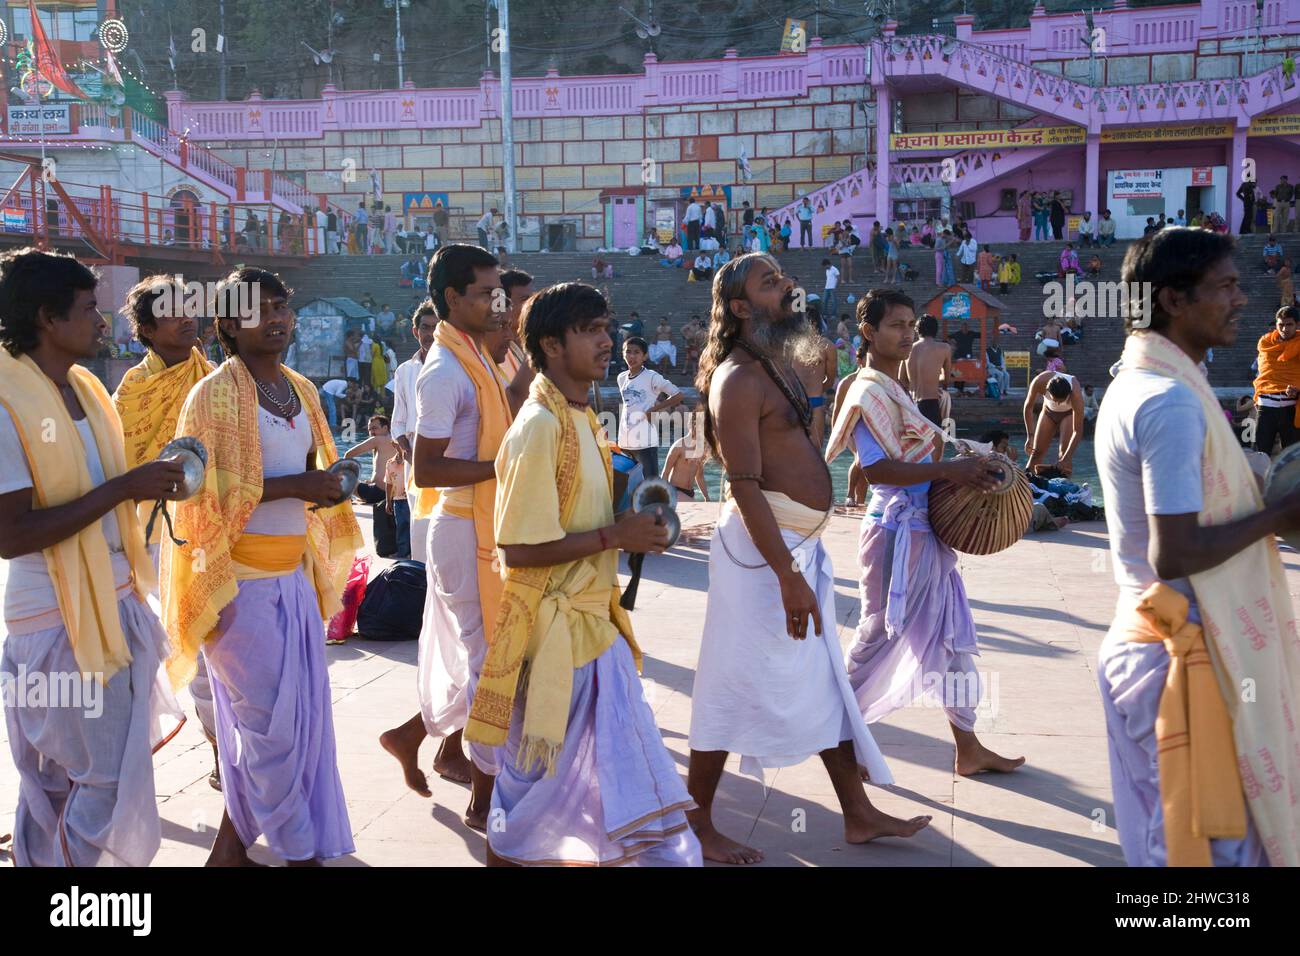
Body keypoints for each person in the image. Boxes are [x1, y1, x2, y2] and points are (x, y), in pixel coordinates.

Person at [688, 255, 925, 865]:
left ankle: (859, 814)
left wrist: (800, 320)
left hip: (796, 551)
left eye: (784, 276)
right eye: (770, 283)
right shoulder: (737, 379)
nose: (788, 285)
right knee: (731, 685)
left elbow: (821, 366)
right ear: (740, 308)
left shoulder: (778, 363)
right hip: (764, 562)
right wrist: (788, 577)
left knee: (825, 684)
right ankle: (697, 825)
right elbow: (742, 483)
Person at [458, 282, 699, 867]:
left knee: (570, 788)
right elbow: (517, 549)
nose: (606, 340)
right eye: (590, 330)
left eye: (606, 327)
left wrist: (631, 526)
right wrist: (616, 536)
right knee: (529, 800)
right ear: (550, 344)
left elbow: (579, 518)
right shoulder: (540, 426)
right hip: (553, 637)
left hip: (591, 629)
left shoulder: (581, 418)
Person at [1096, 226, 1300, 867]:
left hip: (1149, 639)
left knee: (1179, 842)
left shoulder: (1137, 381)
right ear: (1173, 300)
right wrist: (1280, 512)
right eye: (1227, 286)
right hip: (1181, 655)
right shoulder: (1169, 401)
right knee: (1202, 854)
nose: (1242, 299)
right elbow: (1175, 551)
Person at [161, 267, 363, 866]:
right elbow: (199, 498)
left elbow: (307, 475)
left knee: (294, 728)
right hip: (238, 586)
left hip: (292, 582)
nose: (276, 319)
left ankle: (230, 849)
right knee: (269, 731)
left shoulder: (300, 389)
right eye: (259, 310)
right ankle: (298, 852)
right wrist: (297, 484)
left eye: (282, 307)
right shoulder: (211, 396)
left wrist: (323, 488)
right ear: (227, 323)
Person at [0, 248, 186, 866]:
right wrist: (123, 488)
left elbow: (100, 496)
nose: (104, 322)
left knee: (69, 782)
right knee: (98, 779)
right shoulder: (7, 403)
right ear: (49, 319)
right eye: (88, 310)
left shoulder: (83, 388)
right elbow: (11, 533)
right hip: (53, 621)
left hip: (112, 602)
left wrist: (149, 484)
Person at [825, 289, 1022, 782]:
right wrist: (953, 470)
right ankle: (835, 737)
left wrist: (969, 463)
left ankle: (969, 747)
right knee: (875, 637)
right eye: (896, 325)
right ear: (868, 333)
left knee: (952, 638)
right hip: (895, 532)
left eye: (911, 324)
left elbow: (924, 459)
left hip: (924, 532)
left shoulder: (897, 391)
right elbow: (877, 471)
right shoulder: (866, 391)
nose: (908, 333)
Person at [378, 245, 529, 830]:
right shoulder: (444, 371)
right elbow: (427, 470)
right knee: (493, 665)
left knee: (489, 661)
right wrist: (506, 467)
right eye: (487, 293)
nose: (498, 303)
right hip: (465, 528)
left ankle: (413, 737)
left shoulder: (479, 358)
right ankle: (485, 800)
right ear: (451, 300)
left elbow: (506, 416)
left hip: (487, 524)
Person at [111, 275, 219, 785]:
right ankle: (129, 759)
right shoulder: (134, 388)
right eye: (173, 312)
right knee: (165, 646)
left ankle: (224, 753)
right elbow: (119, 463)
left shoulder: (215, 378)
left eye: (190, 308)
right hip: (151, 538)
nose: (187, 318)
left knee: (214, 645)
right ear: (149, 329)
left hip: (212, 529)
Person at [389, 300, 440, 563]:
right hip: (414, 457)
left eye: (436, 327)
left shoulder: (453, 366)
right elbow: (397, 421)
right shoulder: (404, 371)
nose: (430, 334)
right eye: (425, 327)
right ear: (415, 331)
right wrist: (407, 452)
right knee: (419, 528)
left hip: (448, 456)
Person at [618, 335, 683, 477]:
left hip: (645, 442)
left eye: (636, 352)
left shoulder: (652, 376)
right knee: (628, 486)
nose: (632, 356)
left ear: (645, 356)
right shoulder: (621, 377)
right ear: (623, 354)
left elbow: (678, 395)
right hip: (624, 441)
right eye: (628, 352)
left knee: (650, 484)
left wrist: (652, 410)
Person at [346, 415, 402, 558]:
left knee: (343, 478)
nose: (372, 432)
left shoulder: (377, 440)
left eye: (375, 428)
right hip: (392, 494)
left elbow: (348, 454)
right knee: (366, 483)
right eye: (370, 429)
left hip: (376, 493)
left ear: (385, 427)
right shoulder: (399, 440)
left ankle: (347, 500)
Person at [1252, 305, 1300, 456]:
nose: (1284, 329)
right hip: (1266, 407)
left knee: (1292, 459)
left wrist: (1298, 389)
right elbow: (1264, 374)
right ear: (1276, 324)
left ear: (1297, 325)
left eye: (1289, 324)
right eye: (1281, 324)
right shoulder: (1265, 343)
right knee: (1259, 455)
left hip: (1291, 408)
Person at [1023, 370, 1085, 475]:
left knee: (1064, 454)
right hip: (1048, 412)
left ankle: (1065, 486)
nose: (1058, 403)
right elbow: (1028, 408)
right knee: (1036, 453)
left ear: (1069, 393)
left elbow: (1077, 431)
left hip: (1069, 414)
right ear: (1047, 390)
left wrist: (1066, 458)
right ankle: (1028, 483)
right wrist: (1030, 435)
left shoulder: (1076, 394)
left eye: (1061, 400)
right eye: (1055, 400)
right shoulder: (1039, 381)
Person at [793, 315, 837, 448]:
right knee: (815, 452)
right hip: (815, 401)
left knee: (791, 453)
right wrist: (818, 389)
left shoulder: (789, 345)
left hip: (793, 401)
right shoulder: (827, 346)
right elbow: (830, 379)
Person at [905, 313, 952, 427]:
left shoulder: (908, 348)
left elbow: (902, 380)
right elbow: (946, 380)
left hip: (911, 404)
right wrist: (935, 378)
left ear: (917, 330)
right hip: (931, 403)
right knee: (934, 444)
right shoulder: (944, 348)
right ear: (935, 330)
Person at [662, 406, 710, 500]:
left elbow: (699, 476)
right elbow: (665, 473)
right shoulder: (679, 446)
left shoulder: (701, 447)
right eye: (697, 426)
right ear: (690, 426)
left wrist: (706, 497)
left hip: (690, 492)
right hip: (675, 490)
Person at [985, 327, 1010, 398]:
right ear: (992, 343)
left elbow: (1002, 360)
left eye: (996, 342)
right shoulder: (987, 351)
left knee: (1007, 374)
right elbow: (987, 362)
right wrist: (996, 367)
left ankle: (1005, 390)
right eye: (994, 342)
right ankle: (999, 390)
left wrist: (1002, 367)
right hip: (992, 368)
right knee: (1000, 375)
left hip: (1000, 367)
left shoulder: (999, 350)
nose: (995, 344)